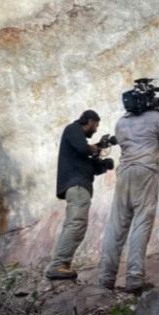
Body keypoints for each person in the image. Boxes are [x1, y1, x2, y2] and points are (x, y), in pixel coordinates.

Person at [97, 106, 159, 292]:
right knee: (141, 221)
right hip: (145, 171)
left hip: (124, 173)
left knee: (116, 225)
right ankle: (134, 278)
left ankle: (106, 278)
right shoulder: (155, 117)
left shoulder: (121, 122)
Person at [45, 110, 106, 280]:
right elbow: (82, 147)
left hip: (80, 185)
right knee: (76, 223)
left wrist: (101, 162)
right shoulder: (73, 129)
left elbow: (93, 166)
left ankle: (62, 264)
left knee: (75, 224)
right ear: (90, 121)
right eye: (96, 125)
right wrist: (94, 148)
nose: (96, 130)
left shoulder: (79, 143)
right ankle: (58, 265)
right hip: (77, 185)